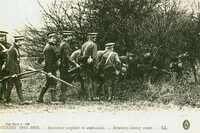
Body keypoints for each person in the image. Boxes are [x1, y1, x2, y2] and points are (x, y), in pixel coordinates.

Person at [37, 32, 59, 103]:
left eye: (55, 38)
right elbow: (48, 61)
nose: (54, 40)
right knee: (53, 82)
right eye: (52, 38)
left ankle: (39, 98)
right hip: (50, 69)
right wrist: (49, 71)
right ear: (49, 39)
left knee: (48, 83)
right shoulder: (48, 48)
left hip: (51, 68)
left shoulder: (51, 46)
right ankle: (53, 100)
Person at [59, 30, 79, 103]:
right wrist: (75, 64)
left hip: (62, 65)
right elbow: (67, 56)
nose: (71, 37)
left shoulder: (62, 43)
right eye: (70, 36)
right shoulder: (65, 45)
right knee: (65, 80)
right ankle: (63, 98)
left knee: (64, 80)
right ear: (67, 37)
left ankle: (62, 97)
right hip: (64, 65)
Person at [3, 36, 24, 104]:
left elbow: (16, 61)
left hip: (16, 71)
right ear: (16, 41)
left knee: (18, 85)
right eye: (20, 41)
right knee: (10, 85)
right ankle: (6, 100)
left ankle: (22, 101)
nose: (22, 43)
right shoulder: (12, 49)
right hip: (12, 72)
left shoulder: (15, 48)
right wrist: (13, 73)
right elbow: (10, 62)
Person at [80, 32, 98, 100]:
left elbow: (81, 56)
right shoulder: (94, 45)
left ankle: (89, 97)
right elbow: (94, 56)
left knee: (87, 81)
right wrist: (96, 65)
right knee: (93, 80)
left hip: (84, 65)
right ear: (92, 37)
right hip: (91, 65)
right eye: (94, 37)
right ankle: (94, 96)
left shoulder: (83, 45)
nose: (95, 38)